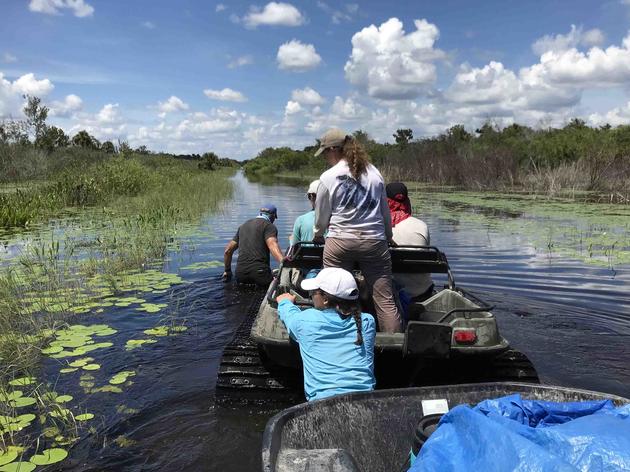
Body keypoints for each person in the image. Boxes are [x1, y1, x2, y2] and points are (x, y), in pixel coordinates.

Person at [313, 128, 402, 333]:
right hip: (374, 242)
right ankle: (393, 345)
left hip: (340, 242)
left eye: (326, 152)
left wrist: (318, 234)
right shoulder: (375, 173)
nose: (325, 157)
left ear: (335, 149)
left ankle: (338, 338)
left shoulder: (328, 176)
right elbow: (384, 212)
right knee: (385, 301)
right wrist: (388, 237)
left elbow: (321, 216)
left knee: (333, 294)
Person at [276, 267, 376, 401]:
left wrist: (284, 302)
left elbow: (289, 316)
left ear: (325, 300)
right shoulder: (367, 321)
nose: (311, 294)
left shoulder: (305, 320)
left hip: (323, 404)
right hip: (365, 401)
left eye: (313, 292)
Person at [386, 182, 434, 302]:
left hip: (389, 294)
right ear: (407, 201)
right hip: (422, 293)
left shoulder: (377, 226)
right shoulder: (422, 226)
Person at [222, 203, 283, 287]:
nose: (274, 220)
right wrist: (284, 263)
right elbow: (272, 245)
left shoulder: (243, 226)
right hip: (260, 273)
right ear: (272, 216)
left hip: (240, 274)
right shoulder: (269, 226)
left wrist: (227, 270)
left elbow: (228, 251)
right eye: (274, 218)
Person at [290, 179, 320, 246]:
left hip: (304, 256)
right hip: (326, 256)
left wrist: (291, 240)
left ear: (311, 197)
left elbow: (295, 245)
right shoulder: (335, 220)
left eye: (309, 196)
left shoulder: (300, 220)